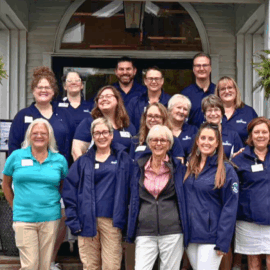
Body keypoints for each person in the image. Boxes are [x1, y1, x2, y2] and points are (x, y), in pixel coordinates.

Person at [62, 117, 132, 270]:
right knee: (90, 266)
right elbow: (69, 192)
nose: (102, 136)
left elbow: (131, 189)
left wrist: (127, 218)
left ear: (112, 134)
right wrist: (74, 220)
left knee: (111, 266)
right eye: (97, 133)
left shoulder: (123, 158)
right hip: (86, 221)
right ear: (92, 137)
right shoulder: (82, 161)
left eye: (105, 132)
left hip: (112, 222)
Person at [2, 118, 68, 270]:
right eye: (35, 133)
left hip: (50, 218)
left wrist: (51, 201)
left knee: (45, 265)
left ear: (49, 136)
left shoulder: (59, 160)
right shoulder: (16, 156)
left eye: (43, 133)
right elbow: (5, 184)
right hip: (24, 217)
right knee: (30, 265)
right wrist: (14, 206)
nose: (39, 136)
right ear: (29, 136)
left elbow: (63, 185)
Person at [127, 125, 188, 270]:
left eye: (163, 140)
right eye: (154, 140)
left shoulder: (178, 168)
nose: (158, 143)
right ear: (149, 143)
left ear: (169, 144)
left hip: (172, 230)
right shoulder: (138, 167)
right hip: (144, 230)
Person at [184, 122, 239, 270]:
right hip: (190, 235)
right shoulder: (189, 166)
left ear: (217, 143)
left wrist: (223, 240)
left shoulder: (226, 170)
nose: (206, 142)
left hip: (211, 237)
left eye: (210, 139)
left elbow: (230, 207)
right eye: (203, 138)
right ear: (197, 140)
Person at [8, 66, 75, 165]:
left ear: (53, 91)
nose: (44, 90)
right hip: (29, 172)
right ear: (33, 90)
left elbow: (72, 146)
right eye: (39, 87)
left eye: (47, 87)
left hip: (59, 172)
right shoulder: (22, 116)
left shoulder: (65, 115)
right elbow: (13, 147)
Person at [232, 117, 270, 270]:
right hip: (248, 221)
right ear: (250, 136)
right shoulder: (239, 159)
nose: (260, 135)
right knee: (253, 262)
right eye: (256, 132)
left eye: (264, 132)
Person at [72, 85, 136, 160]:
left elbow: (133, 154)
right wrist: (83, 168)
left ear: (117, 100)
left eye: (108, 96)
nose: (104, 99)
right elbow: (76, 149)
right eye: (101, 97)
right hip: (96, 170)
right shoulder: (89, 123)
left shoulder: (127, 126)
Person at [127, 66, 171, 132]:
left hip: (162, 140)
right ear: (145, 81)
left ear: (162, 81)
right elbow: (128, 125)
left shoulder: (170, 102)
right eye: (150, 79)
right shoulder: (135, 102)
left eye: (157, 79)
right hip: (139, 141)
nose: (153, 82)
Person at [215, 76, 258, 144]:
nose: (227, 91)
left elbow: (257, 137)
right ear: (218, 93)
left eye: (230, 87)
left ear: (236, 90)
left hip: (244, 154)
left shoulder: (248, 112)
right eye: (223, 89)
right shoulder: (213, 113)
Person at [201, 94, 243, 159]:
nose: (213, 114)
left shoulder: (232, 135)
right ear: (204, 114)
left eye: (216, 110)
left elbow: (239, 159)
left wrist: (235, 159)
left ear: (222, 113)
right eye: (209, 110)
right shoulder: (198, 135)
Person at [181, 52, 216, 128]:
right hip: (192, 137)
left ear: (210, 68)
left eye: (205, 65)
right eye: (198, 66)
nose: (201, 68)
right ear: (193, 69)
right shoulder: (185, 94)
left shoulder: (218, 92)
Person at [167, 94, 198, 160]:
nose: (181, 111)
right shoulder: (162, 129)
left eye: (185, 109)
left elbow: (195, 153)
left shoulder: (193, 130)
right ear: (170, 109)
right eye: (178, 107)